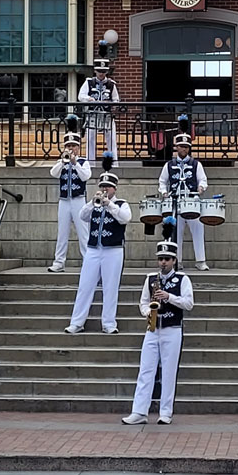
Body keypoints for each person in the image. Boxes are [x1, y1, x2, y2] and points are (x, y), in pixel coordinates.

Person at [122, 217, 194, 426]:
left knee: (169, 372)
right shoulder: (150, 278)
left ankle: (165, 412)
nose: (163, 262)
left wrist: (169, 297)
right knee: (146, 370)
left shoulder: (182, 279)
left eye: (167, 259)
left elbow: (189, 303)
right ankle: (139, 411)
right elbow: (143, 302)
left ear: (174, 261)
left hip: (172, 329)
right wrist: (147, 312)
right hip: (152, 328)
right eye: (160, 258)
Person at [65, 153, 132, 334]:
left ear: (114, 189)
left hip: (113, 250)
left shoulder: (121, 204)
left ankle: (109, 324)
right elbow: (82, 216)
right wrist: (91, 202)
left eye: (108, 187)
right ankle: (77, 322)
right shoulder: (94, 204)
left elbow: (125, 218)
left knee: (110, 288)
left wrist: (109, 204)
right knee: (85, 286)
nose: (104, 189)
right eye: (102, 186)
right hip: (94, 250)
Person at [158, 115, 209, 271]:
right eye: (181, 146)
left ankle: (200, 261)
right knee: (176, 233)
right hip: (175, 202)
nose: (184, 149)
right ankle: (177, 261)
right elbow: (162, 181)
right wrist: (164, 192)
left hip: (192, 201)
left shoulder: (196, 164)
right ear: (177, 147)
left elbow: (203, 180)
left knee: (198, 230)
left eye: (186, 147)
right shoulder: (169, 164)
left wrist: (201, 188)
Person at [48, 114, 91, 273]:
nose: (71, 148)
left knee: (83, 232)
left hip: (79, 200)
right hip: (64, 201)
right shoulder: (62, 162)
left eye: (74, 145)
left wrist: (74, 164)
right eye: (68, 146)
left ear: (78, 147)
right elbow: (53, 173)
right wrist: (62, 161)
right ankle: (59, 262)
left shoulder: (83, 162)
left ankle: (88, 262)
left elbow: (86, 176)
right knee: (62, 232)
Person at [78, 47, 120, 163]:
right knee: (90, 138)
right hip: (93, 114)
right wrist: (89, 99)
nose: (101, 74)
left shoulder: (111, 84)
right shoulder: (89, 82)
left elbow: (116, 99)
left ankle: (113, 163)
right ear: (95, 71)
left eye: (104, 72)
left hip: (107, 115)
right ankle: (90, 163)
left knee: (111, 139)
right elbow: (81, 96)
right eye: (99, 71)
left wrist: (112, 104)